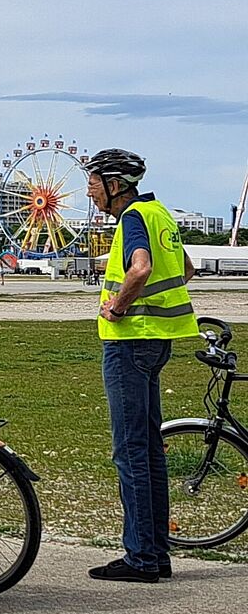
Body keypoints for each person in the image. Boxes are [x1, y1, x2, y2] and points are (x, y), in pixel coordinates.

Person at [85, 149, 198, 583]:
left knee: (130, 450)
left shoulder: (132, 217)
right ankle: (156, 553)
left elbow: (141, 268)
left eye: (94, 182)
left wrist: (118, 306)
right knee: (150, 449)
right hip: (159, 342)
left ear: (115, 184)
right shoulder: (160, 214)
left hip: (130, 343)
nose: (90, 191)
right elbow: (185, 268)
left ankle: (140, 558)